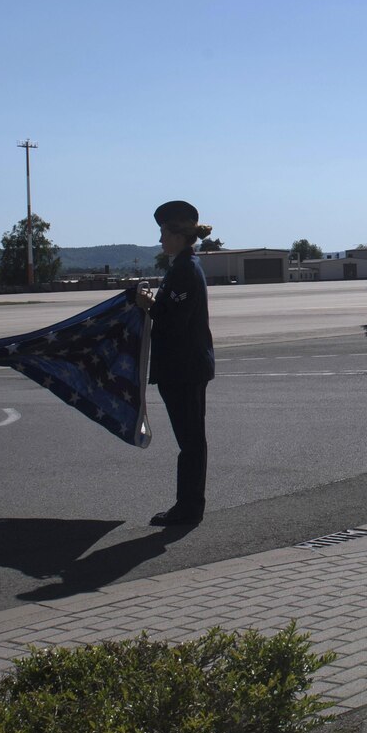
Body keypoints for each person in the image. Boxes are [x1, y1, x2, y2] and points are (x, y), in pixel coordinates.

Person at [137, 200, 216, 525]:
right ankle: (188, 505)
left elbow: (175, 320)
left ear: (178, 235)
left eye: (163, 233)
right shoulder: (181, 267)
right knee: (191, 440)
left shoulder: (185, 270)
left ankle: (188, 508)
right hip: (184, 367)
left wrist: (150, 306)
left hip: (184, 368)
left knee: (191, 442)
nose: (160, 240)